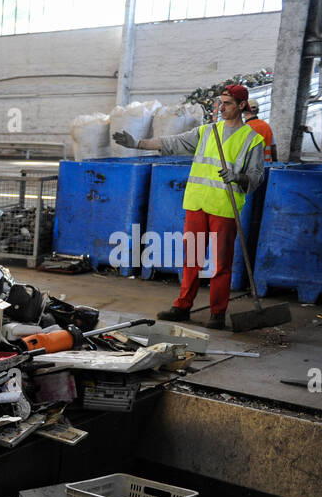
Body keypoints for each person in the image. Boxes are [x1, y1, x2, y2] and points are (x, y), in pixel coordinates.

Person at [113, 84, 265, 330]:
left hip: (224, 208)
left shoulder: (252, 140)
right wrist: (137, 143)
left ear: (241, 106)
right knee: (191, 259)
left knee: (221, 264)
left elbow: (257, 177)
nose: (221, 107)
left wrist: (238, 177)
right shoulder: (207, 131)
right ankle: (183, 307)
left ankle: (217, 313)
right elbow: (173, 143)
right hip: (197, 204)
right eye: (220, 102)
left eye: (227, 103)